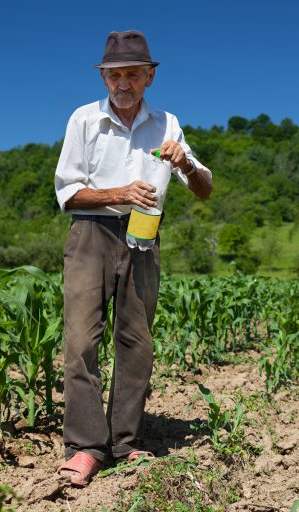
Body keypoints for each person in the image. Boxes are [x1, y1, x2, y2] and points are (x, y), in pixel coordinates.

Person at [53, 30, 212, 487]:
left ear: (149, 77)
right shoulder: (84, 120)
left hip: (145, 236)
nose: (122, 83)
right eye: (114, 75)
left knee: (137, 344)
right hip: (91, 234)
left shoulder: (168, 124)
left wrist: (184, 163)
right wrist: (119, 193)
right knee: (82, 340)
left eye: (132, 75)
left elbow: (204, 189)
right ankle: (86, 447)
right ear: (105, 77)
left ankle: (125, 442)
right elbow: (67, 193)